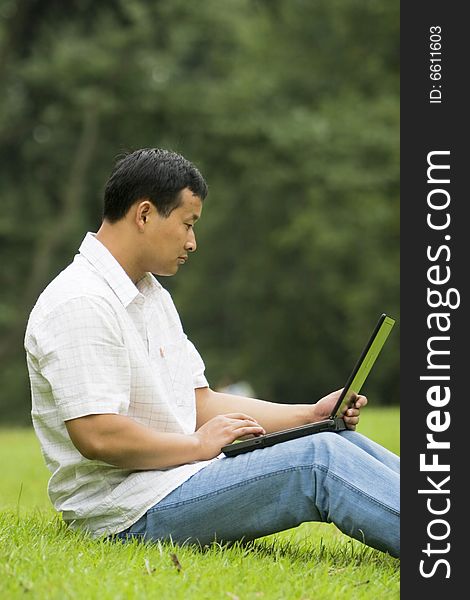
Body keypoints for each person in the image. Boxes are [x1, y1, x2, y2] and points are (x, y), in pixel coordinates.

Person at [24, 148, 399, 557]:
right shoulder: (80, 301)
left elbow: (198, 402)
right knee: (319, 460)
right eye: (187, 224)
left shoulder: (150, 296)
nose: (192, 242)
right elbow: (98, 435)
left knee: (333, 439)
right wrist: (200, 446)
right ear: (145, 214)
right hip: (127, 511)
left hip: (179, 478)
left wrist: (309, 416)